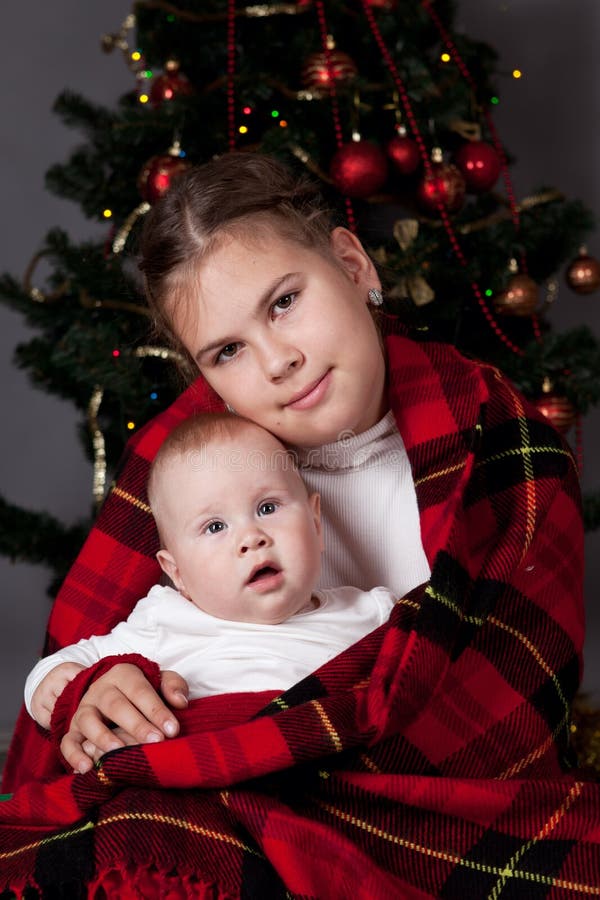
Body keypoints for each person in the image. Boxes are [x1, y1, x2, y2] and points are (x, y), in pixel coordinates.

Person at [1, 153, 594, 898]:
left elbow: (504, 715)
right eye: (227, 350)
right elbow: (91, 668)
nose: (278, 361)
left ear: (352, 264)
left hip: (435, 820)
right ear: (205, 377)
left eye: (283, 302)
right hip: (208, 804)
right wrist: (98, 691)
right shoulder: (185, 471)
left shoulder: (501, 449)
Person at [25, 412, 396, 732]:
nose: (251, 538)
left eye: (267, 508)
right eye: (215, 527)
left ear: (316, 525)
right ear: (178, 573)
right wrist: (54, 684)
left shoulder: (373, 615)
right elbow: (65, 665)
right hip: (210, 778)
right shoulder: (165, 621)